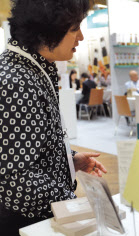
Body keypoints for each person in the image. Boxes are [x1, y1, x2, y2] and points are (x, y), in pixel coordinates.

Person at [0, 1, 107, 235]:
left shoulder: (32, 70)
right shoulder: (17, 82)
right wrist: (74, 203)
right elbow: (16, 180)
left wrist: (68, 161)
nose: (80, 37)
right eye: (74, 29)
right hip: (25, 224)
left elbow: (26, 147)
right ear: (48, 29)